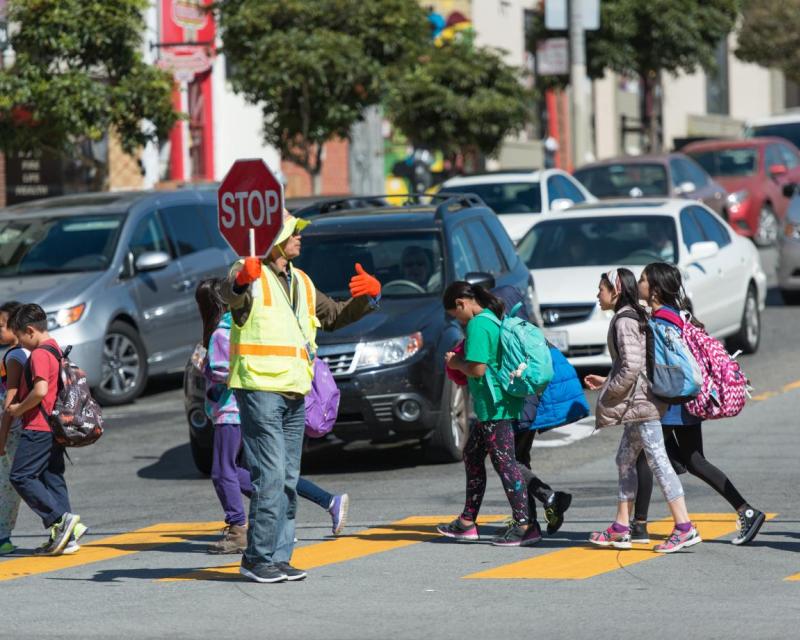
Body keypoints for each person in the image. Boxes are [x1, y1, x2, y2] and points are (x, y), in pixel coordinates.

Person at [221, 210, 380, 584]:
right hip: (259, 387)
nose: (300, 237)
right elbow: (230, 295)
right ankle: (257, 558)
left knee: (289, 477)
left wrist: (369, 297)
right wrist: (242, 282)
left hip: (295, 390)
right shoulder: (248, 271)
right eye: (294, 232)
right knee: (271, 474)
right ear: (274, 238)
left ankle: (279, 556)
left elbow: (335, 315)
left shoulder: (303, 282)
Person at [196, 279, 350, 555]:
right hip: (253, 405)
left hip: (231, 410)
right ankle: (298, 513)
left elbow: (222, 372)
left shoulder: (221, 332)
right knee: (252, 473)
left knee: (223, 470)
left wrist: (204, 366)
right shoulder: (243, 325)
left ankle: (238, 529)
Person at [631, 262, 765, 546]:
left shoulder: (660, 322)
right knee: (694, 460)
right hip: (688, 398)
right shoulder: (678, 315)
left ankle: (640, 527)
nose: (639, 283)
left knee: (646, 455)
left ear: (654, 290)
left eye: (642, 279)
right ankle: (746, 510)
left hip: (673, 401)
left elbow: (665, 367)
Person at [584, 269, 701, 553]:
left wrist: (609, 393)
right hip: (639, 403)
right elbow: (631, 362)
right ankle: (622, 527)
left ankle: (684, 526)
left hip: (642, 404)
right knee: (625, 459)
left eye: (601, 289)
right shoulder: (632, 316)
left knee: (659, 460)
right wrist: (607, 380)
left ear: (615, 290)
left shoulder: (624, 319)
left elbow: (632, 367)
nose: (597, 295)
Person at [437, 281, 542, 547]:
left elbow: (478, 369)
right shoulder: (490, 319)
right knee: (472, 455)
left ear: (461, 303)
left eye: (454, 314)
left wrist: (455, 362)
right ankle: (467, 522)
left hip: (495, 406)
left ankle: (524, 525)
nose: (457, 320)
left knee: (506, 464)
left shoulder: (479, 324)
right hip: (494, 406)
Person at [491, 284, 573, 536]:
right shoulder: (530, 330)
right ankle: (529, 518)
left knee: (506, 460)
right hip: (533, 404)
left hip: (519, 404)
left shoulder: (510, 332)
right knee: (519, 458)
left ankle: (548, 497)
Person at [7, 304, 84, 556]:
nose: (19, 343)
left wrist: (18, 408)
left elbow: (40, 391)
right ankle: (68, 538)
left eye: (19, 337)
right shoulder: (55, 350)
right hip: (52, 426)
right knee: (52, 478)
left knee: (21, 476)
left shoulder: (39, 354)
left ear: (30, 330)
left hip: (38, 426)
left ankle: (59, 520)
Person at [0, 301, 28, 555]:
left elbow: (8, 401)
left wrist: (2, 436)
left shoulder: (15, 357)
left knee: (10, 484)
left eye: (1, 325)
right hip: (14, 429)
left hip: (11, 431)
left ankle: (3, 536)